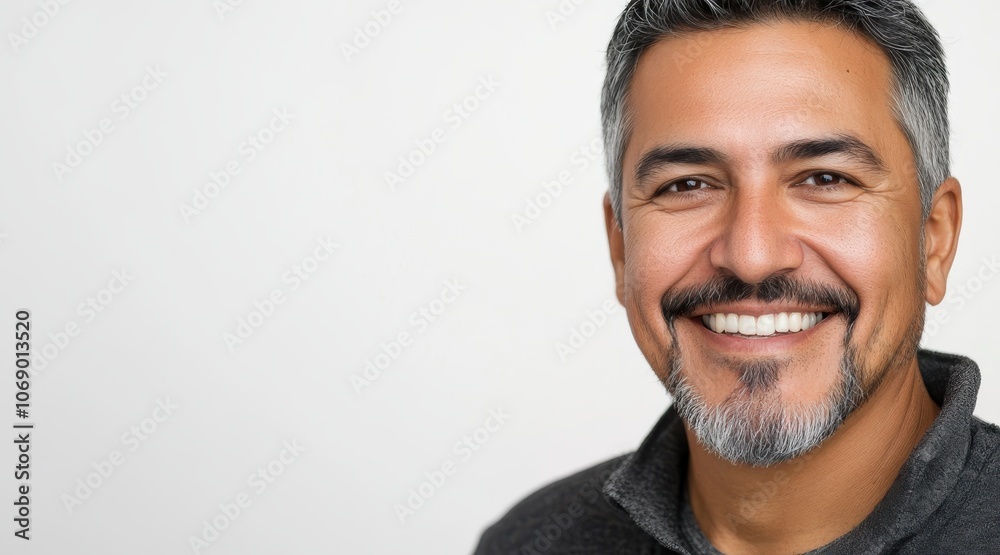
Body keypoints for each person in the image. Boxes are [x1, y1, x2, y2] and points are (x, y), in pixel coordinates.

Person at [475, 1, 1000, 553]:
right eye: (686, 185)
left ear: (934, 240)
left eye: (824, 178)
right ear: (622, 249)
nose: (751, 256)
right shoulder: (531, 542)